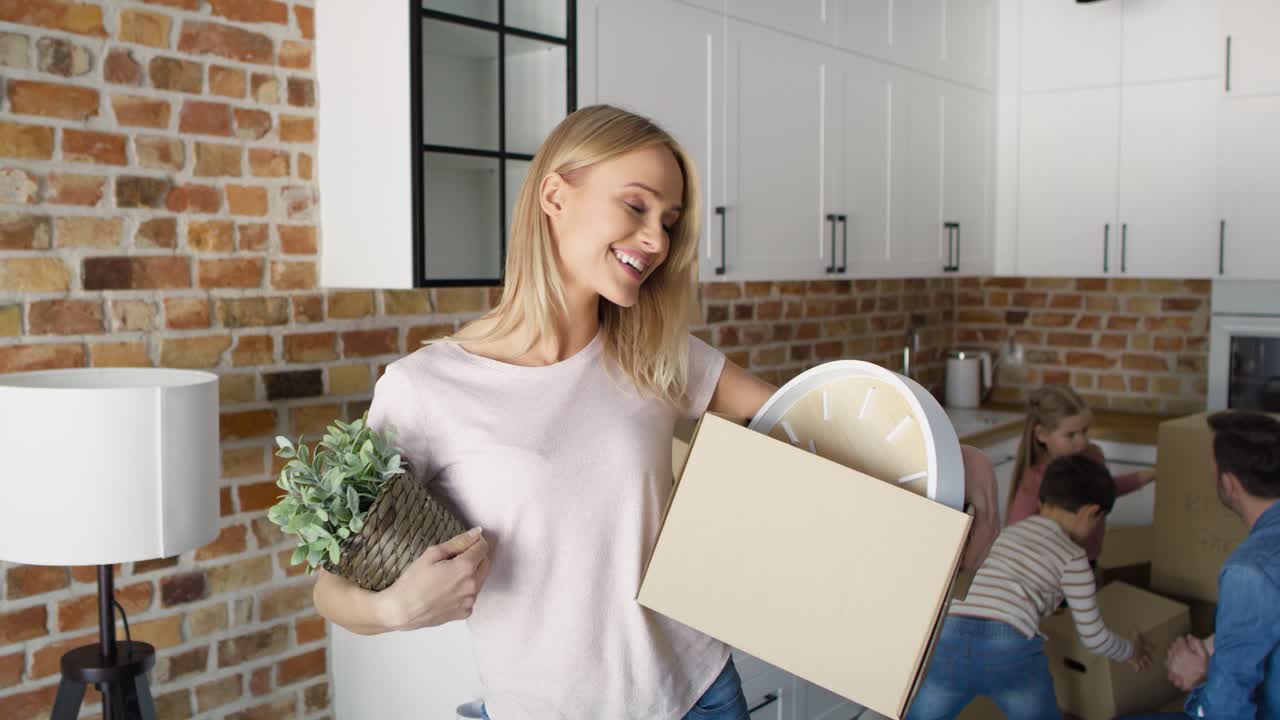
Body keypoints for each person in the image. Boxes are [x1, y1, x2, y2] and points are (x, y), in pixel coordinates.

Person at [311, 104, 999, 719]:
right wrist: (392, 609)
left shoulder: (656, 353)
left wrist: (945, 451)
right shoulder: (425, 389)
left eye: (667, 222)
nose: (657, 241)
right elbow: (331, 585)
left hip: (698, 691)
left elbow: (813, 427)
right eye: (636, 207)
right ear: (555, 193)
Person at [908, 454, 1152, 720]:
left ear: (1041, 500)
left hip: (948, 634)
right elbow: (1093, 636)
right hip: (1009, 647)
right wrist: (1131, 651)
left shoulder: (1008, 533)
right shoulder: (1074, 558)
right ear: (1091, 512)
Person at [1119, 410, 1280, 720]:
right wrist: (1214, 653)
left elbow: (1226, 709)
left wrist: (1201, 676)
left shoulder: (1249, 571)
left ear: (1230, 484)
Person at [1006, 385, 1155, 562]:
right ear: (1041, 434)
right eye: (1070, 435)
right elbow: (1016, 535)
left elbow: (1104, 490)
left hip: (1091, 559)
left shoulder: (1092, 456)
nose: (1082, 442)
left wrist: (1150, 475)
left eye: (1084, 431)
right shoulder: (1035, 479)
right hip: (1053, 571)